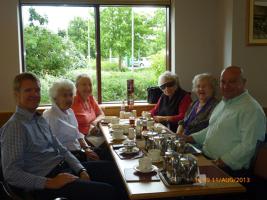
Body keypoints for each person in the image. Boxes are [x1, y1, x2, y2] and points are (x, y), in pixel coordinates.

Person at [0, 72, 124, 200]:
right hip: (46, 182)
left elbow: (61, 149)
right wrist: (50, 182)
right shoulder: (15, 127)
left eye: (37, 90)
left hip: (64, 168)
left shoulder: (39, 119)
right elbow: (11, 174)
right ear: (16, 95)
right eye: (28, 90)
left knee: (116, 172)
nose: (35, 94)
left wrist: (80, 169)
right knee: (107, 192)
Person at [184, 66, 266, 176]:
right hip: (208, 159)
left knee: (187, 185)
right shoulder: (225, 102)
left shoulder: (251, 109)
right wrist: (189, 138)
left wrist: (222, 161)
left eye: (232, 82)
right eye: (223, 82)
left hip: (230, 172)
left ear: (244, 82)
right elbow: (212, 129)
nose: (226, 86)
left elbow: (249, 145)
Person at [43, 79, 99, 161]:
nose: (69, 99)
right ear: (55, 98)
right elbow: (52, 147)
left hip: (79, 151)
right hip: (67, 159)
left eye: (71, 95)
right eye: (65, 96)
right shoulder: (50, 116)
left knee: (109, 154)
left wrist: (87, 149)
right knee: (110, 166)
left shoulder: (69, 111)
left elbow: (77, 134)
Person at [71, 74, 104, 142]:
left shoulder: (90, 98)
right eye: (84, 84)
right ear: (77, 87)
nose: (88, 87)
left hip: (93, 136)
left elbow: (101, 115)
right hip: (81, 139)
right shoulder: (72, 101)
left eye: (90, 84)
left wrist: (94, 122)